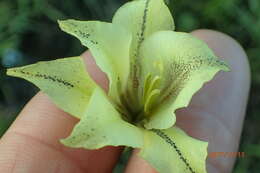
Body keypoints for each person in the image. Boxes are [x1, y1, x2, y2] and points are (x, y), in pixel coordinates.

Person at [0, 30, 250, 173]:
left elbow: (188, 162)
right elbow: (95, 126)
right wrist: (29, 72)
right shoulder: (100, 121)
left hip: (156, 134)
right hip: (135, 125)